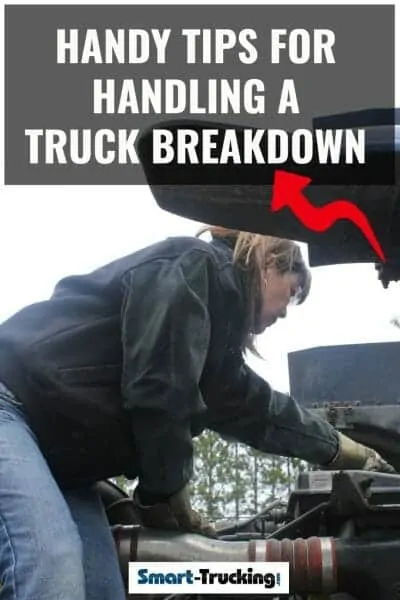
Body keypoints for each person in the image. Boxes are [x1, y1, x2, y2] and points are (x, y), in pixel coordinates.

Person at [0, 226, 394, 600]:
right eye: (291, 293)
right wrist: (167, 493)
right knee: (51, 564)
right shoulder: (193, 267)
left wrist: (346, 451)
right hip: (13, 404)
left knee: (101, 587)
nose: (287, 313)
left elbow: (263, 412)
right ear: (268, 260)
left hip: (65, 464)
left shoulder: (213, 353)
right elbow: (159, 389)